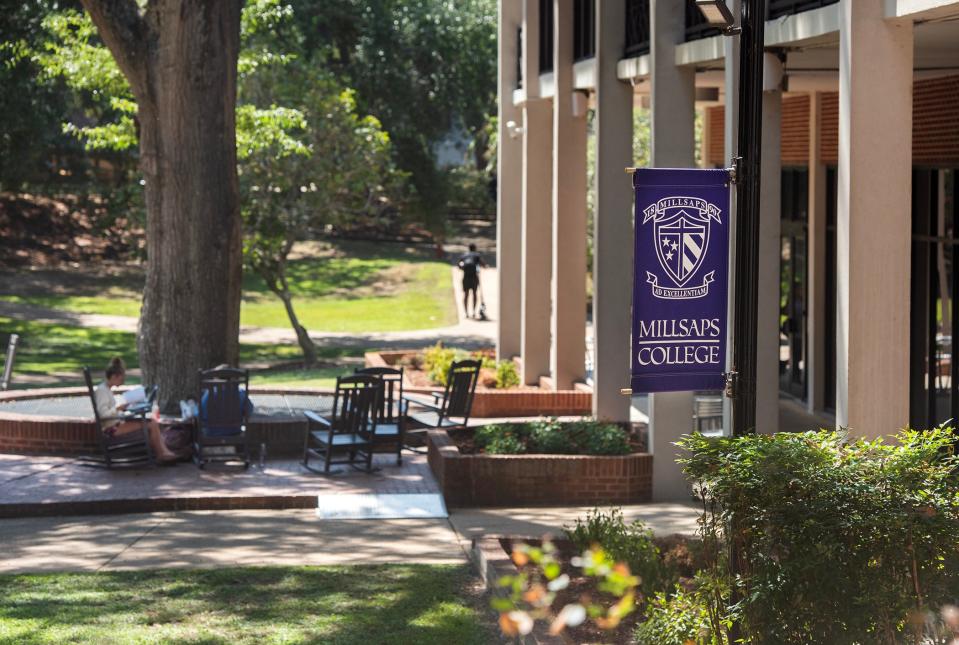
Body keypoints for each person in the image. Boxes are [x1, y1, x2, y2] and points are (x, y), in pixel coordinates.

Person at [93, 357, 179, 463]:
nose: (123, 381)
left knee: (151, 421)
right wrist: (119, 408)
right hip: (111, 429)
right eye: (121, 378)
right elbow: (103, 415)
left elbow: (112, 411)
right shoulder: (102, 391)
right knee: (151, 423)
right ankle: (162, 454)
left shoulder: (107, 390)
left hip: (116, 423)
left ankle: (164, 452)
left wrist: (126, 409)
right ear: (114, 376)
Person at [457, 243, 487, 319]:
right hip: (474, 277)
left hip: (466, 277)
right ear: (475, 248)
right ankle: (473, 311)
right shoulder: (476, 255)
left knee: (466, 294)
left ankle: (466, 312)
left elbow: (459, 265)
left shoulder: (464, 255)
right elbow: (483, 264)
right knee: (474, 294)